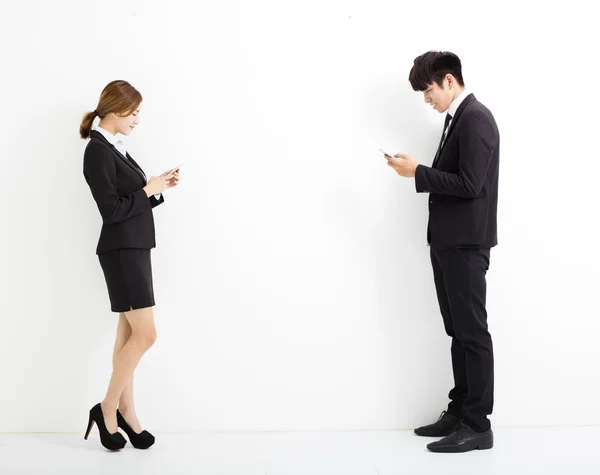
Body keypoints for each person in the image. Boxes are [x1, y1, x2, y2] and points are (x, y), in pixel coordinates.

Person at [384, 51, 499, 453]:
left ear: (449, 81)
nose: (426, 99)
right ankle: (460, 410)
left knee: (472, 333)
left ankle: (477, 424)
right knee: (458, 331)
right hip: (450, 243)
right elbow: (458, 184)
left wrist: (417, 172)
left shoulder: (476, 118)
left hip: (467, 244)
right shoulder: (458, 120)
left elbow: (470, 184)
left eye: (429, 89)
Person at [79, 80, 180, 450]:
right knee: (145, 335)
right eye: (134, 112)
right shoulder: (98, 151)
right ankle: (107, 408)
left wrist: (157, 189)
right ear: (117, 108)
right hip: (121, 251)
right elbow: (112, 211)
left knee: (127, 337)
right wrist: (147, 189)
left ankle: (127, 411)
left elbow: (129, 201)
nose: (138, 119)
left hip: (134, 248)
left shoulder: (115, 149)